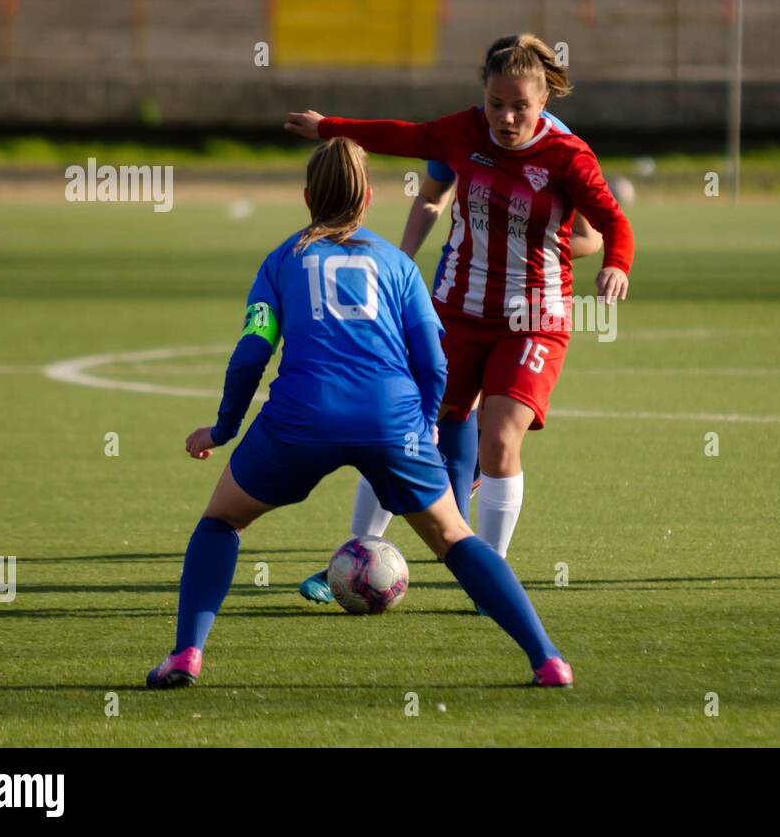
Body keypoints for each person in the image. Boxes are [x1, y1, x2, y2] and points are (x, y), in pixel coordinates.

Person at [146, 137, 573, 689]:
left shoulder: (281, 261)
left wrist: (223, 429)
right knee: (454, 537)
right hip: (390, 418)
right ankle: (546, 660)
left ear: (306, 197)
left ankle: (185, 656)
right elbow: (434, 361)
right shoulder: (398, 266)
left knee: (222, 521)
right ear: (369, 198)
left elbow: (252, 351)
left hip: (301, 418)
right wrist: (421, 426)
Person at [285, 32, 634, 579]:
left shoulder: (567, 154)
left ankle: (490, 574)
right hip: (456, 309)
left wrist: (617, 262)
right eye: (497, 104)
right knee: (399, 427)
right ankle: (357, 554)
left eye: (520, 106)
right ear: (484, 96)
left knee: (499, 440)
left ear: (542, 103)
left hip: (533, 317)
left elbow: (612, 222)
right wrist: (328, 127)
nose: (507, 117)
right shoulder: (462, 131)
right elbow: (402, 136)